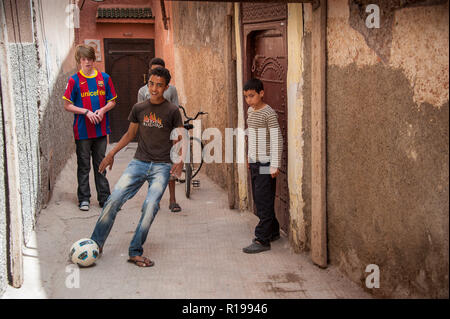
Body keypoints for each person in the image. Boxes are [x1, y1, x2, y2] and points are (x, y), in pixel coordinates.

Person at [91, 67, 184, 267]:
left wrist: (179, 160)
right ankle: (95, 245)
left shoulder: (172, 111)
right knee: (113, 199)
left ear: (166, 87)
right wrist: (111, 153)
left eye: (159, 85)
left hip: (161, 166)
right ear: (147, 84)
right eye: (151, 84)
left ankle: (135, 251)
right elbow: (129, 134)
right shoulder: (139, 108)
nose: (154, 88)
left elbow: (179, 137)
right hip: (138, 162)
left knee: (150, 206)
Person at [63, 44, 117, 211]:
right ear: (79, 61)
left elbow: (112, 101)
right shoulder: (74, 80)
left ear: (94, 60)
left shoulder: (104, 78)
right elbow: (67, 105)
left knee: (101, 164)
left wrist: (102, 110)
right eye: (83, 59)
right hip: (82, 131)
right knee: (84, 165)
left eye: (89, 59)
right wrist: (86, 112)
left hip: (100, 130)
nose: (87, 62)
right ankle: (84, 198)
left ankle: (104, 198)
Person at [242, 78, 283, 254]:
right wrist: (248, 156)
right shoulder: (251, 111)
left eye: (252, 96)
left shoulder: (269, 114)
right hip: (255, 162)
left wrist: (275, 164)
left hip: (266, 162)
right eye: (246, 97)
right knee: (261, 199)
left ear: (261, 93)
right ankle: (273, 230)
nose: (249, 100)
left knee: (263, 200)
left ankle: (262, 239)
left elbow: (277, 139)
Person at [137, 57, 182, 213]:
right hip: (150, 135)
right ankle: (153, 201)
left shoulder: (171, 90)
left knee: (170, 166)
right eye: (153, 70)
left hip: (168, 134)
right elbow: (140, 114)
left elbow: (175, 111)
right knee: (150, 167)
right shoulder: (143, 91)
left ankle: (172, 199)